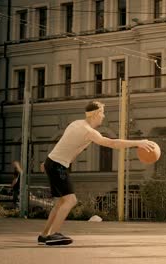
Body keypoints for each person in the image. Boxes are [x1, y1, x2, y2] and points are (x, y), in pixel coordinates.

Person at [38, 101, 156, 246]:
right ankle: (54, 235)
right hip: (57, 165)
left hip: (52, 162)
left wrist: (48, 162)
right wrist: (138, 143)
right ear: (96, 114)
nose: (104, 116)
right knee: (70, 200)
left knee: (60, 203)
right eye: (102, 112)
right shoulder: (88, 131)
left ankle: (44, 235)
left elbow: (67, 146)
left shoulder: (76, 124)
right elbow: (112, 143)